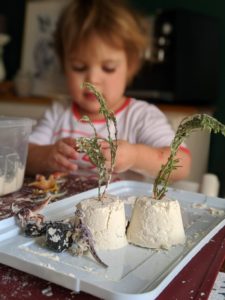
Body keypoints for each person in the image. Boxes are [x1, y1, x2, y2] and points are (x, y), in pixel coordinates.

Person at [26, 0, 191, 182]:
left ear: (130, 67)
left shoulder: (140, 117)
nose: (92, 79)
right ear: (64, 66)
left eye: (108, 68)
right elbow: (23, 155)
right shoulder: (58, 113)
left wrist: (134, 156)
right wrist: (45, 156)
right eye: (79, 67)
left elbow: (182, 164)